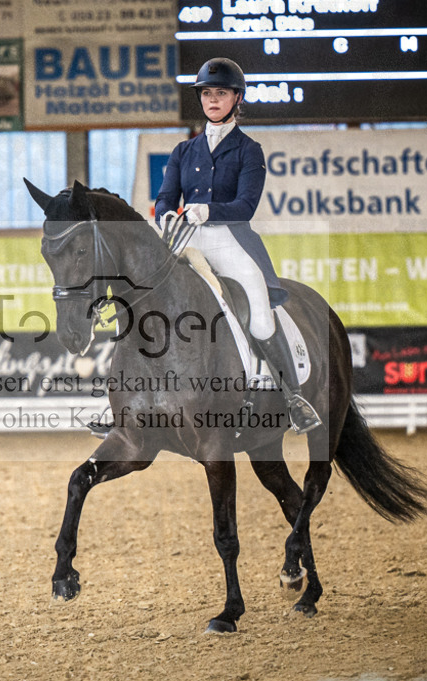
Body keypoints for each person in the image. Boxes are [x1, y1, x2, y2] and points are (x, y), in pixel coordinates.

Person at [154, 57, 321, 434]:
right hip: (186, 239)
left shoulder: (249, 150)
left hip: (229, 239)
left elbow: (246, 205)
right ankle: (122, 400)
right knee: (146, 297)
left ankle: (293, 397)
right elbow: (165, 198)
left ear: (236, 98)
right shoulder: (184, 151)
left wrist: (206, 210)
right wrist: (165, 214)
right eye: (207, 93)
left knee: (260, 312)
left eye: (221, 93)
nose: (213, 100)